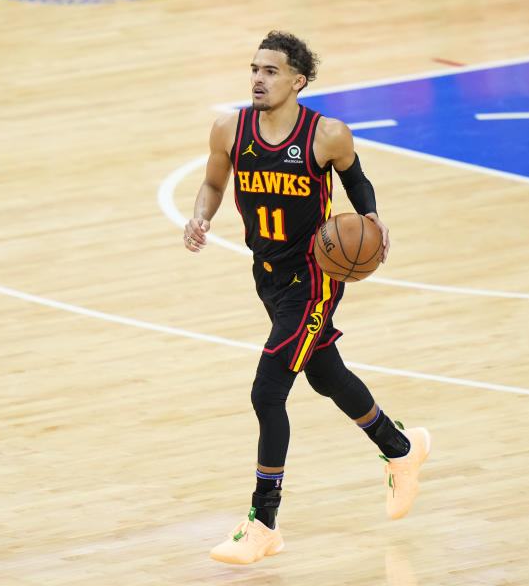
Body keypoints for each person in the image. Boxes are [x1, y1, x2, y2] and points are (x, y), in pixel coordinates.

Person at [183, 31, 431, 565]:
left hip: (314, 278)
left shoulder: (326, 135)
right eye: (254, 68)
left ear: (298, 80)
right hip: (267, 276)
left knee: (267, 392)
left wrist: (371, 217)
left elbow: (356, 180)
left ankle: (264, 522)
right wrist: (200, 215)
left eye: (270, 71)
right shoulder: (230, 128)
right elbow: (211, 184)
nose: (257, 78)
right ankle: (401, 450)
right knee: (323, 373)